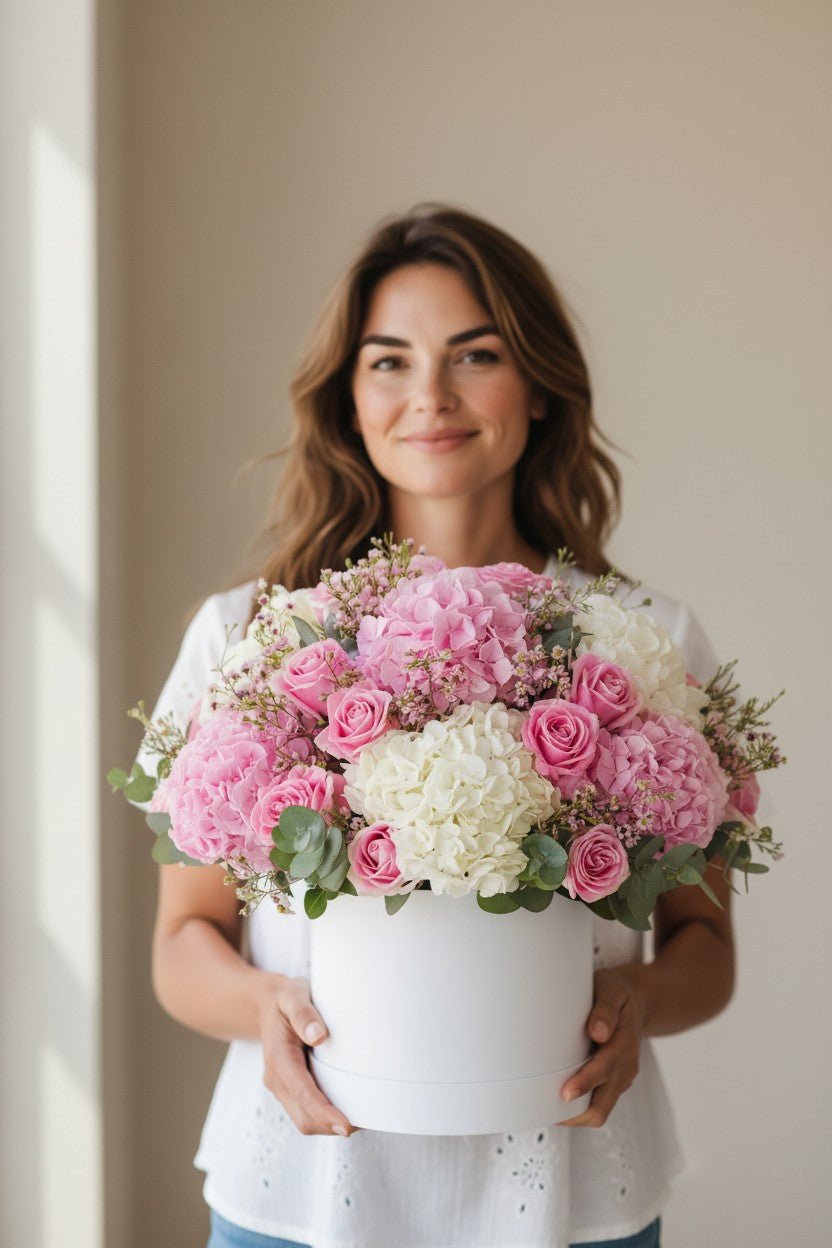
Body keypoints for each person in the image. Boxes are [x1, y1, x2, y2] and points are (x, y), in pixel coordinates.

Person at [149, 205, 734, 1248]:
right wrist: (264, 1013)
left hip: (575, 1188)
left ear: (540, 384)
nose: (430, 398)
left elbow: (703, 945)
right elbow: (182, 941)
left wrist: (637, 999)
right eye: (389, 362)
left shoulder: (646, 641)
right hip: (300, 1192)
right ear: (348, 397)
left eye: (476, 355)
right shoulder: (248, 635)